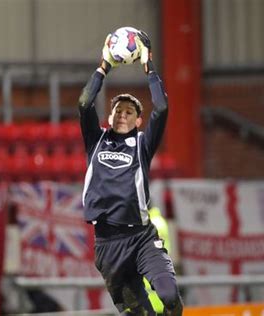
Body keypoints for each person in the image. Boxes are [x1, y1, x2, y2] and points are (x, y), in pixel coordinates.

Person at [78, 30, 183, 315]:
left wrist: (149, 68)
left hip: (141, 238)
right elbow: (84, 103)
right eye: (117, 110)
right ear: (109, 118)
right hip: (108, 246)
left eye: (129, 111)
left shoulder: (142, 144)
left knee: (169, 296)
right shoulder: (96, 140)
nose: (122, 114)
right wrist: (103, 67)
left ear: (138, 120)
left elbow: (161, 107)